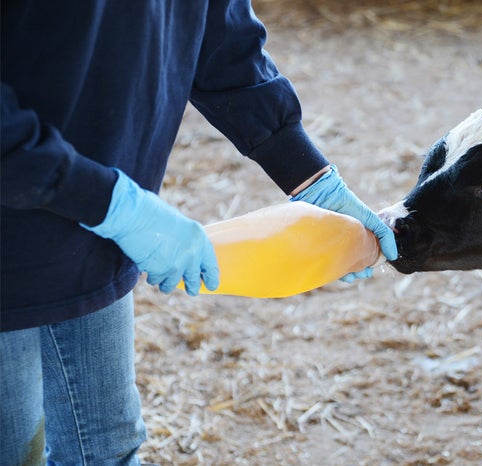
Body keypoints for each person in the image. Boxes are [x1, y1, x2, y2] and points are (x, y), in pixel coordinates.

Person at [0, 1, 397, 465]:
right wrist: (111, 203)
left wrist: (308, 174)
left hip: (96, 230)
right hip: (28, 221)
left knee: (107, 449)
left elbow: (222, 37)